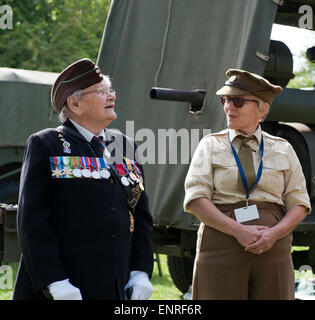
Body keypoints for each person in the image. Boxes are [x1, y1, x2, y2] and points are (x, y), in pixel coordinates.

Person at [13, 58, 154, 300]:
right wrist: (54, 281)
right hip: (64, 287)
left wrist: (140, 271)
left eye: (111, 91)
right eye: (101, 92)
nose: (111, 97)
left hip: (114, 285)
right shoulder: (47, 144)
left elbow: (140, 216)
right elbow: (32, 222)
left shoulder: (124, 145)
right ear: (75, 103)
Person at [183, 69, 311, 300]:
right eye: (225, 100)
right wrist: (238, 231)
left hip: (274, 249)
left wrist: (274, 234)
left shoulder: (283, 148)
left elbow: (299, 202)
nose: (229, 107)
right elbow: (196, 199)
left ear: (261, 108)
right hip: (222, 245)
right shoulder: (210, 145)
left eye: (238, 101)